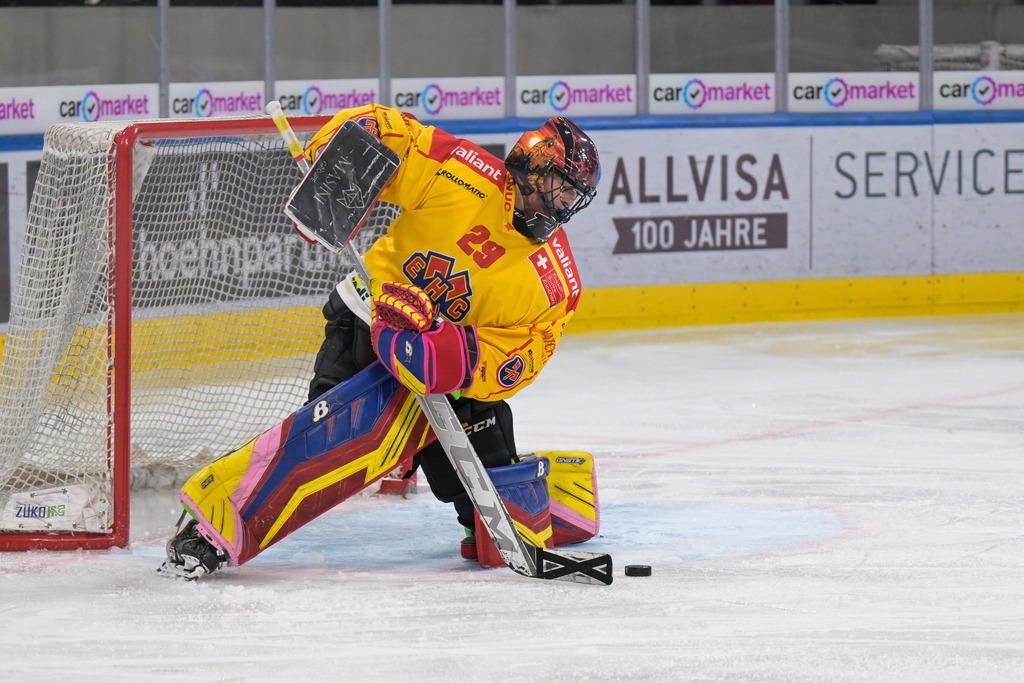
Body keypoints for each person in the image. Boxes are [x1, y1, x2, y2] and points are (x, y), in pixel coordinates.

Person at [163, 104, 600, 577]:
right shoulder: (463, 171)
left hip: (445, 376)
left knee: (487, 461)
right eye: (561, 186)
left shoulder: (557, 280)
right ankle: (207, 530)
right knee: (322, 442)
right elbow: (399, 138)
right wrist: (340, 165)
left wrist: (441, 352)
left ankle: (532, 508)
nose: (565, 202)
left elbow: (522, 354)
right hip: (365, 323)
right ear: (533, 164)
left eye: (575, 195)